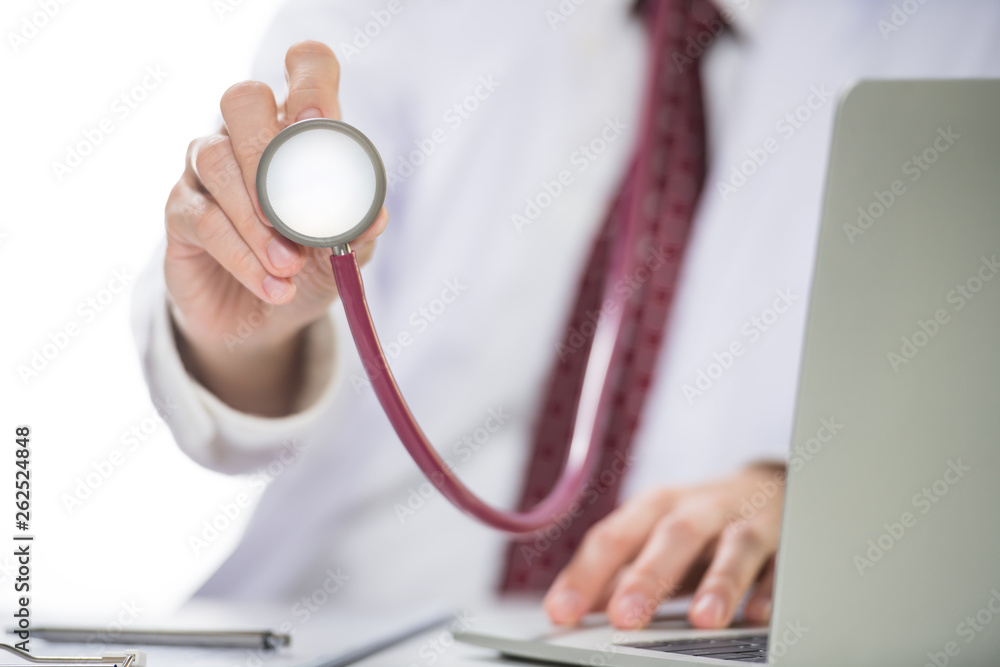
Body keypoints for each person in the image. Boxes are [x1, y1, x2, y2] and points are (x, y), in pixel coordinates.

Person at [132, 0, 1000, 632]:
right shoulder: (394, 22)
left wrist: (832, 502)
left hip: (683, 629)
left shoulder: (964, 36)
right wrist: (249, 313)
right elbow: (253, 358)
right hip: (331, 618)